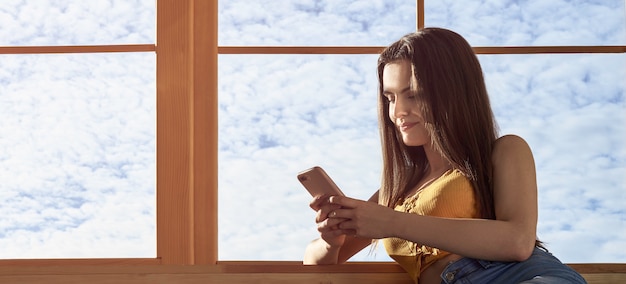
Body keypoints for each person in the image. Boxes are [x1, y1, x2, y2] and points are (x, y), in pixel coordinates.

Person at [303, 28, 587, 284]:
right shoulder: (395, 193)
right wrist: (333, 241)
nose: (397, 111)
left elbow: (517, 242)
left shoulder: (504, 151)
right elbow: (314, 262)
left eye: (413, 95)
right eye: (390, 98)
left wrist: (391, 222)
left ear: (453, 92)